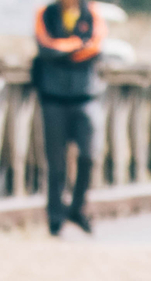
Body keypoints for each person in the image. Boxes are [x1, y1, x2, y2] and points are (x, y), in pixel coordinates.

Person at [34, 0, 106, 236]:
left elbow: (95, 47)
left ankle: (78, 208)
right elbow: (45, 48)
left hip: (85, 96)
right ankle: (55, 218)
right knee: (55, 163)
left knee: (89, 155)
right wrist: (75, 45)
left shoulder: (92, 12)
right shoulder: (45, 14)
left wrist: (61, 50)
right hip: (53, 98)